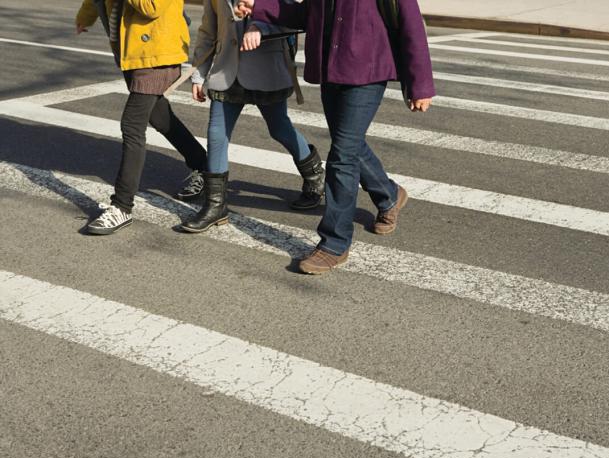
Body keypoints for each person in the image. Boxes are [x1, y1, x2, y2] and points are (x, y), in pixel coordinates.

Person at [234, 0, 434, 274]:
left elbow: (411, 24)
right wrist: (260, 6)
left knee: (342, 156)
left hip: (368, 71)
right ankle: (389, 194)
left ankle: (334, 243)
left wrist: (420, 84)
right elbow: (307, 14)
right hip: (332, 69)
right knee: (348, 144)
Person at [180, 4, 324, 233]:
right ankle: (215, 206)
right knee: (217, 134)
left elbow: (294, 18)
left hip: (267, 69)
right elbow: (208, 31)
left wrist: (260, 27)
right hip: (227, 71)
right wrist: (198, 75)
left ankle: (315, 175)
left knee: (279, 128)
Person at [75, 0, 209, 235]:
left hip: (157, 53)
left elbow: (152, 7)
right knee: (160, 117)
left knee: (131, 125)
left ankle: (122, 206)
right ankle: (206, 167)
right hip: (132, 52)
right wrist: (86, 16)